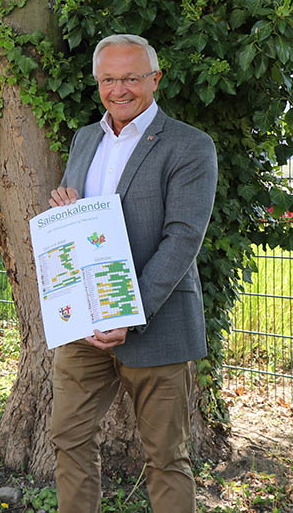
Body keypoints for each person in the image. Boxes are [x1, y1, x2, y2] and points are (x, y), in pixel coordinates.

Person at [48, 34, 218, 512]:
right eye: (108, 79)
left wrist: (130, 312)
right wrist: (68, 206)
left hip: (157, 322)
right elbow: (83, 222)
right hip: (85, 324)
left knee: (166, 457)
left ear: (155, 79)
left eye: (130, 77)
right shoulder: (86, 138)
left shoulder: (190, 145)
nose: (118, 89)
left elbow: (182, 238)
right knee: (68, 439)